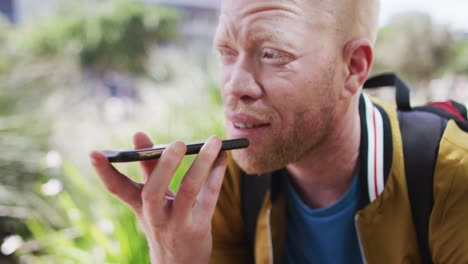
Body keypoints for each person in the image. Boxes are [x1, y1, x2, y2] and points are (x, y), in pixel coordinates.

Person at [90, 0, 468, 263]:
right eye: (225, 51)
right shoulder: (224, 184)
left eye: (272, 54)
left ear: (353, 68)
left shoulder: (450, 178)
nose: (235, 85)